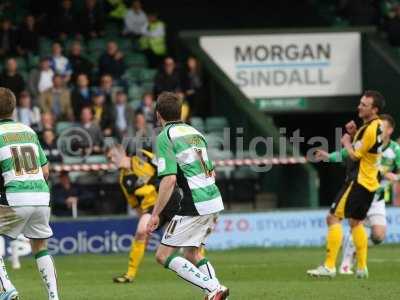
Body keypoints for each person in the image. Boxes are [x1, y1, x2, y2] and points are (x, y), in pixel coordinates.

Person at [146, 92, 229, 299]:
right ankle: (216, 291)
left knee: (162, 255)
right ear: (180, 111)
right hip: (213, 199)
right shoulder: (195, 132)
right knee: (192, 253)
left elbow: (169, 180)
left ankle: (213, 289)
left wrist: (155, 213)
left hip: (195, 202)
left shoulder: (166, 136)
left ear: (158, 115)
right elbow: (211, 169)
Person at [307, 90, 385, 279]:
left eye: (364, 105)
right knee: (355, 222)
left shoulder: (371, 128)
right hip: (369, 183)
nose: (359, 106)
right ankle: (362, 268)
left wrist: (347, 140)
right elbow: (358, 151)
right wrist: (349, 139)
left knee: (333, 218)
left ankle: (329, 266)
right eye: (360, 103)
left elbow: (355, 154)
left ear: (374, 109)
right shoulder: (370, 127)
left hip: (358, 182)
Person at [0, 87, 60, 300]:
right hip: (42, 197)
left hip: (15, 196)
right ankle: (54, 297)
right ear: (13, 108)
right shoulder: (29, 131)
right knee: (40, 247)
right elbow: (45, 171)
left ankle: (6, 289)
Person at [333, 114, 400, 274]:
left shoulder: (395, 150)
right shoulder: (368, 143)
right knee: (357, 225)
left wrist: (396, 176)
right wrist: (328, 156)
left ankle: (354, 245)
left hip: (378, 199)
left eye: (381, 128)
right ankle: (346, 265)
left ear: (389, 130)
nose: (378, 130)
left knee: (378, 236)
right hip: (361, 191)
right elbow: (348, 154)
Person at [109, 146, 180, 283]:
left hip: (169, 198)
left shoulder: (141, 156)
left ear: (122, 152)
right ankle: (129, 274)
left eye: (112, 156)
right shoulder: (123, 180)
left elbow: (164, 167)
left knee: (185, 237)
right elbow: (134, 203)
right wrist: (143, 216)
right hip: (152, 208)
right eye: (109, 158)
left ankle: (201, 269)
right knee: (141, 231)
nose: (111, 160)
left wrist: (159, 186)